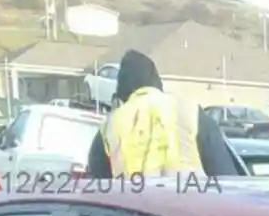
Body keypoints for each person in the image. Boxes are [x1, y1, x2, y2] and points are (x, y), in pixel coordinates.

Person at [84, 49, 203, 178]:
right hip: (191, 195)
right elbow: (225, 174)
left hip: (133, 196)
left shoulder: (111, 126)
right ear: (157, 81)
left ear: (122, 91)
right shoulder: (190, 112)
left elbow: (96, 186)